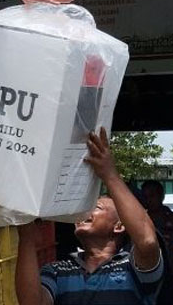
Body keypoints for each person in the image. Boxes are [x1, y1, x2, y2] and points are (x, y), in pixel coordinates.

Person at [16, 128, 164, 304]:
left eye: (96, 207)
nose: (84, 212)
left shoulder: (133, 268)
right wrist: (26, 234)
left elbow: (147, 241)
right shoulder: (57, 271)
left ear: (119, 226)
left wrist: (109, 174)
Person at [142, 179, 173, 299]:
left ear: (161, 195)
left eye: (152, 195)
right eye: (145, 196)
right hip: (146, 280)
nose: (148, 200)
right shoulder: (139, 223)